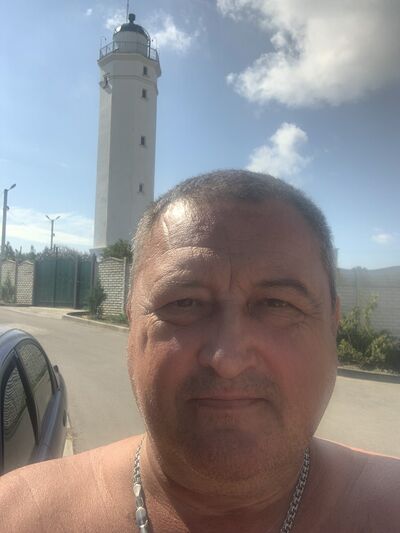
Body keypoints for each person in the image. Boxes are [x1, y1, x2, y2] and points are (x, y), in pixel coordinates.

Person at [0, 170, 399, 533]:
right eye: (184, 303)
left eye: (277, 304)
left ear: (332, 323)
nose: (228, 360)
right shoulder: (20, 516)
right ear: (131, 322)